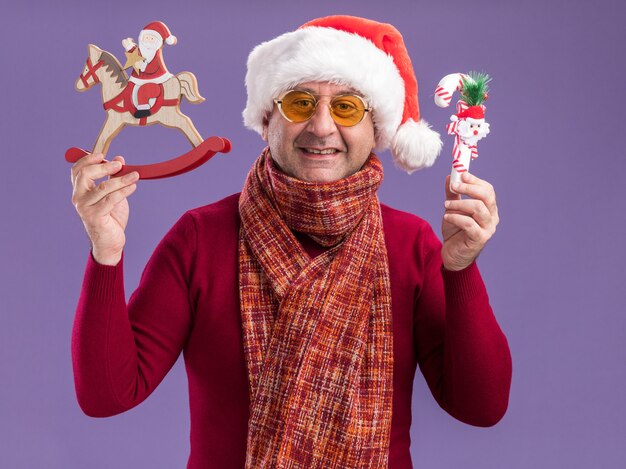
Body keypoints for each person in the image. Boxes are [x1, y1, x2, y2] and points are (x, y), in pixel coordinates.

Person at [70, 15, 512, 469]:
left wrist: (461, 270)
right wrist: (106, 253)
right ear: (267, 120)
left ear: (376, 129)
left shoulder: (411, 245)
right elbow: (106, 396)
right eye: (300, 103)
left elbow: (481, 408)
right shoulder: (199, 239)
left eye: (346, 108)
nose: (321, 127)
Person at [121, 21, 177, 118]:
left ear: (158, 42)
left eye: (152, 39)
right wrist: (129, 46)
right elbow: (135, 55)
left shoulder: (155, 56)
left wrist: (142, 66)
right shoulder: (141, 51)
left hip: (155, 79)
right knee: (128, 88)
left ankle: (144, 110)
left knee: (144, 91)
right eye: (146, 38)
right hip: (137, 78)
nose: (148, 41)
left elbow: (152, 68)